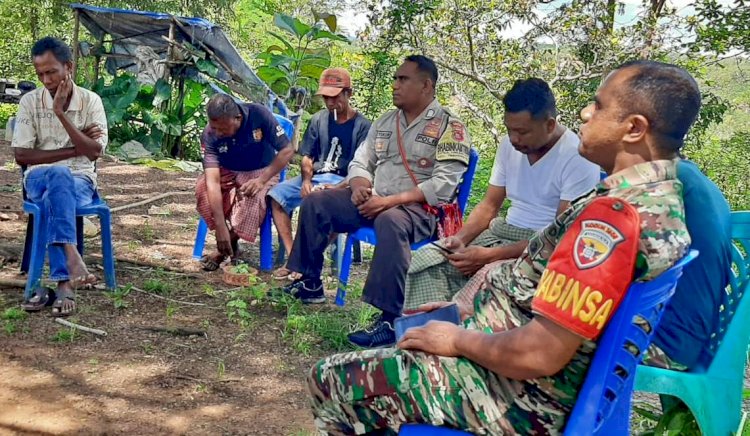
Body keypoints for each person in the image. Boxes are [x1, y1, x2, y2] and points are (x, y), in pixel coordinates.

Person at [306, 59, 698, 435]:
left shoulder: (613, 221)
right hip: (509, 357)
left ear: (633, 128)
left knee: (329, 379)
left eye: (598, 105)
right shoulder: (652, 198)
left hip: (521, 398)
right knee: (420, 299)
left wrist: (457, 339)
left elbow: (540, 354)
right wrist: (462, 309)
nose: (583, 113)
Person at [277, 55, 470, 347]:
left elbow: (444, 186)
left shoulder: (449, 127)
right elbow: (361, 161)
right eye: (394, 78)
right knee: (318, 203)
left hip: (417, 210)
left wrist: (390, 201)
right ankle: (310, 283)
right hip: (373, 199)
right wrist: (359, 186)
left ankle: (390, 320)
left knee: (391, 221)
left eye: (403, 79)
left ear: (426, 85)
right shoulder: (385, 121)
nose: (394, 85)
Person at [404, 78, 600, 311]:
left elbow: (559, 238)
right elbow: (489, 205)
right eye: (509, 130)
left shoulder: (577, 157)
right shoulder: (509, 145)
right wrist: (461, 239)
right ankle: (420, 330)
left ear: (549, 125)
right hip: (502, 232)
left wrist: (489, 256)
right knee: (427, 260)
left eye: (522, 132)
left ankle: (458, 339)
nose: (514, 139)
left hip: (540, 247)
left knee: (487, 276)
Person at [13, 37, 108, 317]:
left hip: (81, 181)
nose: (46, 79)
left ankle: (64, 279)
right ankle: (70, 263)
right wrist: (73, 147)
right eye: (40, 73)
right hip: (37, 180)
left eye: (51, 71)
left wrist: (59, 113)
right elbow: (21, 156)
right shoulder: (29, 102)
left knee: (60, 183)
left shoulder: (91, 101)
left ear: (68, 67)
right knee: (58, 174)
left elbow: (93, 153)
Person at [268, 68, 371, 280]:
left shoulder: (363, 126)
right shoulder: (319, 120)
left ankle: (307, 260)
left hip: (343, 180)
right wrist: (306, 180)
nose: (330, 102)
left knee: (327, 206)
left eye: (334, 97)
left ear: (348, 93)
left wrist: (338, 187)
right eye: (326, 97)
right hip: (315, 176)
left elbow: (362, 168)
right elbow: (307, 156)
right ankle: (293, 258)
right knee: (276, 195)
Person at [643, 159, 733, 370]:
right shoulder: (690, 176)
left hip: (663, 340)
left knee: (559, 337)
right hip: (686, 337)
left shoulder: (661, 179)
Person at [195, 94, 294, 271]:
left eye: (223, 129)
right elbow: (212, 179)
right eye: (214, 128)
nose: (218, 133)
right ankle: (227, 241)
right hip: (226, 171)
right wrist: (220, 226)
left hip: (261, 171)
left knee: (253, 197)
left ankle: (225, 248)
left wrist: (262, 181)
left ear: (238, 118)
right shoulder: (210, 134)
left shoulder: (259, 115)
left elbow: (287, 150)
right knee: (202, 188)